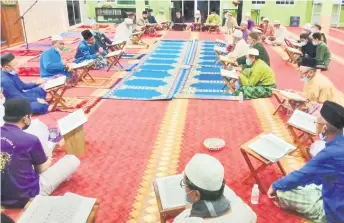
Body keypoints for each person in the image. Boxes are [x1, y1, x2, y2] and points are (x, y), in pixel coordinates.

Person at [268, 101, 344, 223]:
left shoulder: (331, 153)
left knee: (281, 192)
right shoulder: (340, 143)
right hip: (334, 191)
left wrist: (275, 185)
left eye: (316, 122)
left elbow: (302, 175)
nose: (315, 124)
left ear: (324, 128)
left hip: (335, 212)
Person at [1, 98, 80, 208]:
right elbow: (41, 170)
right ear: (25, 118)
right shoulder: (30, 139)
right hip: (28, 196)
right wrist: (50, 152)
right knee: (72, 159)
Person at [173, 154, 257, 222]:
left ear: (196, 194)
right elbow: (253, 217)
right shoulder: (243, 211)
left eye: (185, 185)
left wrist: (188, 210)